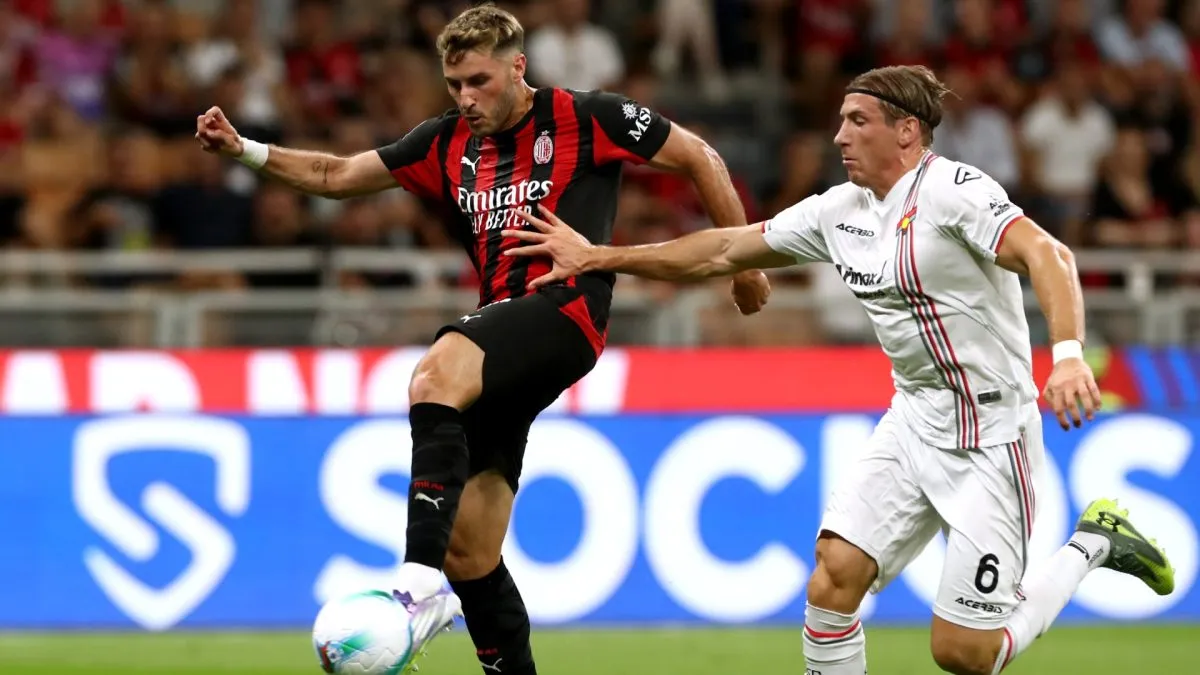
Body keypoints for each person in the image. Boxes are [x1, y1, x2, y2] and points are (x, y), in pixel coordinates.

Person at [502, 64, 1176, 675]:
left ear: (906, 131)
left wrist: (1064, 356)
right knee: (833, 575)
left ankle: (1092, 542)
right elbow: (724, 249)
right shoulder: (839, 211)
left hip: (990, 432)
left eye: (858, 121)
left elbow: (1049, 254)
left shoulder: (956, 191)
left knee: (964, 652)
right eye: (840, 120)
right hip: (913, 419)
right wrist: (599, 256)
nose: (838, 136)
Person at [195, 3, 769, 674]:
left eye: (479, 82)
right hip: (505, 334)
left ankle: (413, 581)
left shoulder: (589, 117)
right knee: (472, 551)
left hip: (565, 310)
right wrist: (247, 150)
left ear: (517, 67)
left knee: (435, 375)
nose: (466, 98)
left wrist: (746, 266)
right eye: (455, 85)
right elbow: (335, 175)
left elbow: (699, 155)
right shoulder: (445, 141)